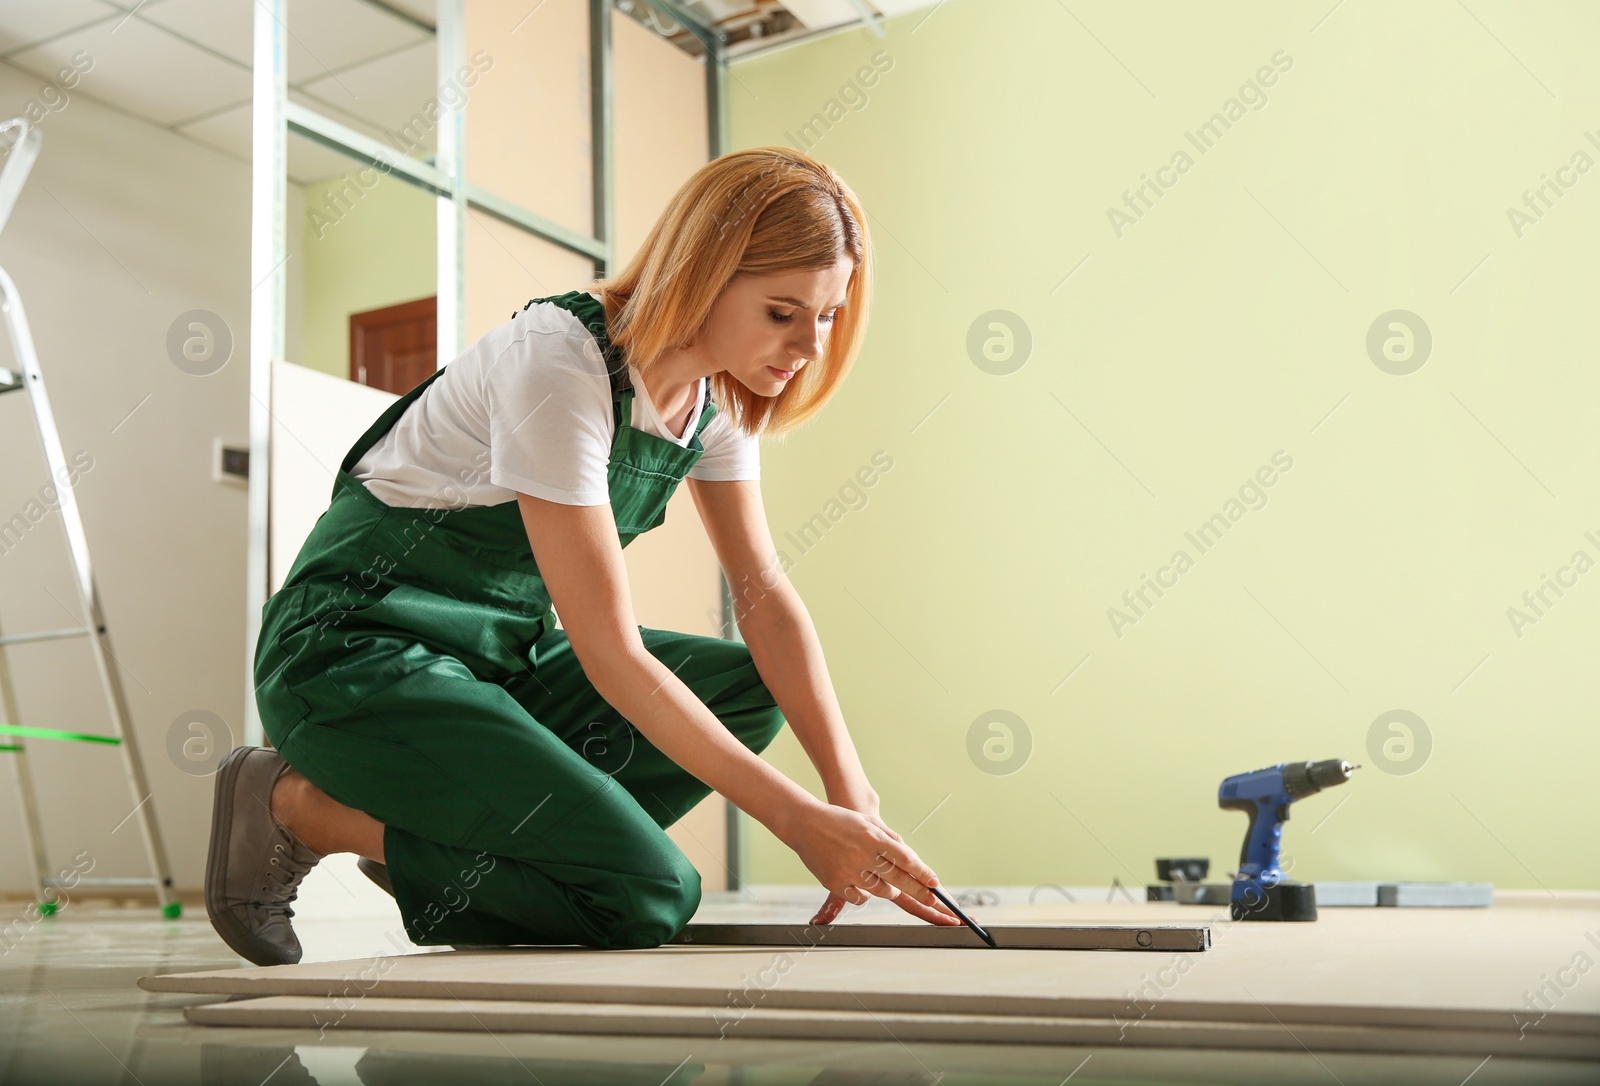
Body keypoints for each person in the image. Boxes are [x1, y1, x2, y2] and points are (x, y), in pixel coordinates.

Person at [205, 146, 962, 966]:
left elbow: (764, 590)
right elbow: (611, 653)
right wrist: (798, 822)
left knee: (751, 689)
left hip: (496, 665)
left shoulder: (720, 398)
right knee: (646, 895)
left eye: (828, 314)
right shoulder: (560, 361)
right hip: (352, 657)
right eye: (783, 312)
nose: (809, 346)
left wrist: (850, 792)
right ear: (704, 272)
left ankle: (471, 843)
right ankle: (297, 806)